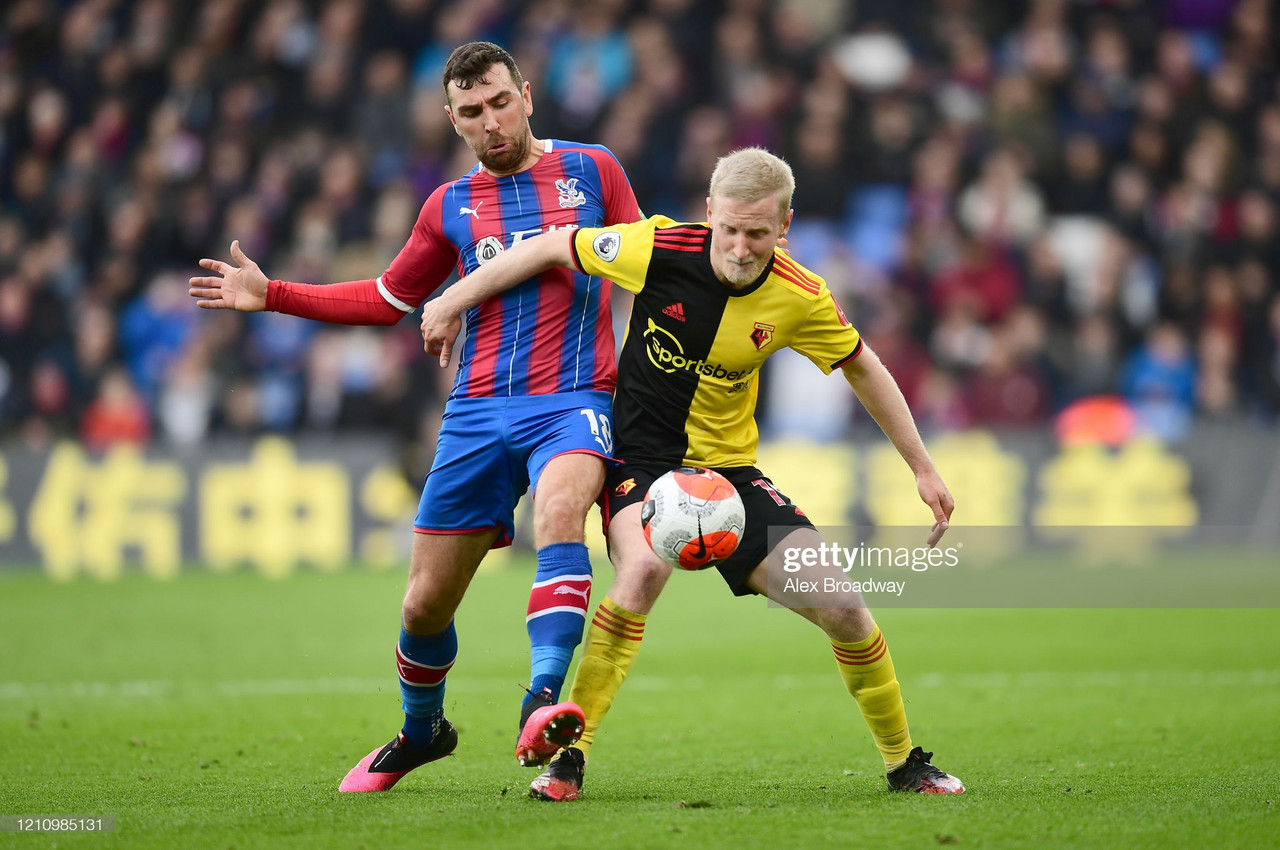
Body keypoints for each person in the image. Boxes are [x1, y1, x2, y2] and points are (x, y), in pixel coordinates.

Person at [419, 148, 965, 801]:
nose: (738, 246)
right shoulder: (655, 247)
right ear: (709, 212)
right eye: (728, 228)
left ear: (783, 228)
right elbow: (550, 246)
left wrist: (923, 467)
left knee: (846, 608)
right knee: (644, 569)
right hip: (640, 464)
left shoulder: (800, 294)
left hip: (731, 476)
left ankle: (906, 762)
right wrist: (452, 299)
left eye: (757, 233)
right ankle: (568, 760)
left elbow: (863, 365)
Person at [188, 41, 642, 791]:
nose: (492, 122)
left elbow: (648, 263)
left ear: (527, 95)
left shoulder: (594, 170)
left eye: (501, 102)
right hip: (475, 413)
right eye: (472, 112)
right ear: (451, 120)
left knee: (561, 513)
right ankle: (422, 730)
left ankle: (543, 700)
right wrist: (272, 294)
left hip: (574, 400)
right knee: (424, 604)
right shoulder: (450, 206)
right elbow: (388, 298)